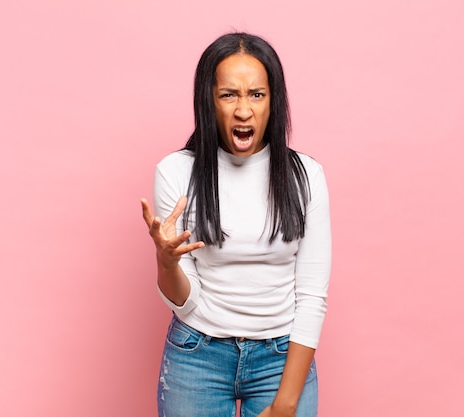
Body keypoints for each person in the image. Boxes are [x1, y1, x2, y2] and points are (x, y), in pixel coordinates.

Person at [141, 32, 331, 417]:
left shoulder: (306, 176)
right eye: (229, 95)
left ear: (273, 102)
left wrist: (286, 402)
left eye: (256, 95)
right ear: (209, 101)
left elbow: (311, 296)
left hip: (281, 358)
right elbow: (185, 300)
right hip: (198, 355)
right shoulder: (177, 172)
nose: (243, 110)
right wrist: (166, 262)